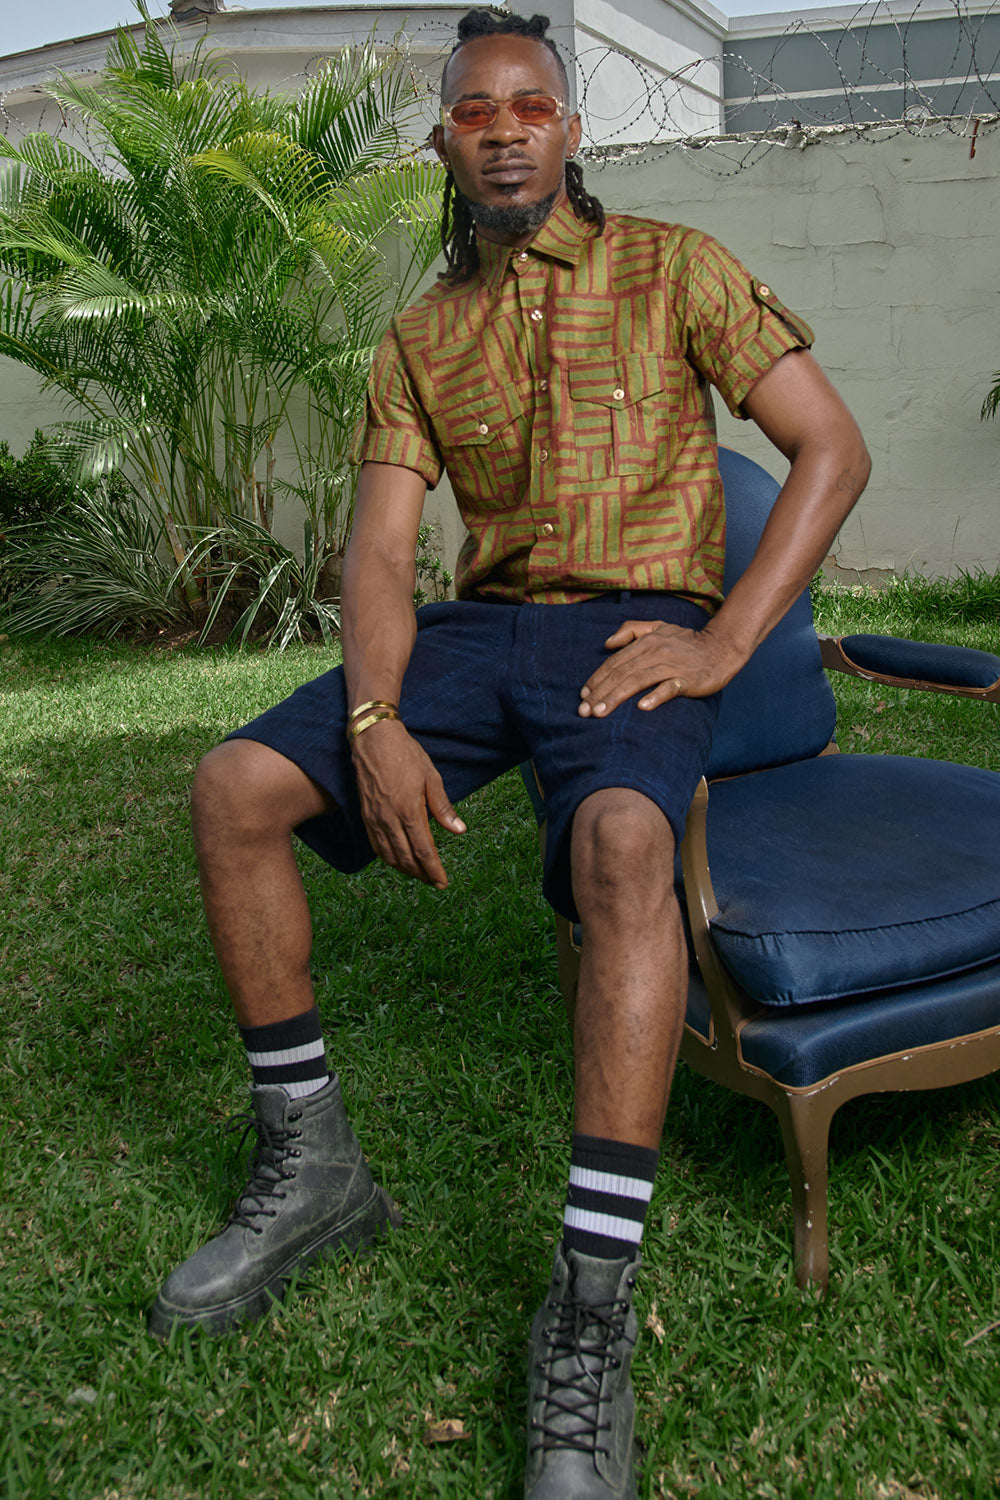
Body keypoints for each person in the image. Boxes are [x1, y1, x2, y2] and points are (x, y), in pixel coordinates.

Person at [148, 11, 870, 1497]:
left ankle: (589, 1311)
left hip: (637, 632)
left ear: (572, 131)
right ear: (444, 143)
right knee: (234, 791)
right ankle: (313, 1168)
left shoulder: (676, 267)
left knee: (621, 845)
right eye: (474, 111)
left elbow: (833, 448)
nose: (503, 131)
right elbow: (381, 551)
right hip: (482, 637)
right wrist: (375, 721)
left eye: (530, 105)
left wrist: (726, 642)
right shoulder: (420, 337)